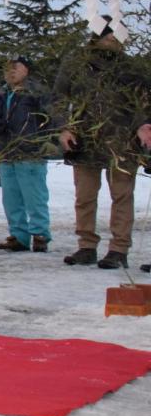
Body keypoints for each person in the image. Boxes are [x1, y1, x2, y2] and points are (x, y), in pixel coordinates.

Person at [53, 17, 150, 270]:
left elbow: (144, 101)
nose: (115, 41)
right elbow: (59, 97)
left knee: (122, 196)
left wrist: (143, 125)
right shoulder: (77, 63)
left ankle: (119, 249)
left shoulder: (131, 67)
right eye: (110, 36)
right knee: (85, 196)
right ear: (98, 37)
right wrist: (64, 127)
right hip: (85, 139)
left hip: (122, 141)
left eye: (119, 37)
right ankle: (86, 246)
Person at [0, 56, 55, 253]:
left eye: (15, 67)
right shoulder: (0, 94)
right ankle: (18, 235)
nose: (10, 71)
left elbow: (53, 116)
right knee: (11, 198)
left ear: (26, 70)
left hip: (31, 152)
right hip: (6, 152)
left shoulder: (37, 92)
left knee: (34, 196)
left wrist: (49, 138)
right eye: (7, 68)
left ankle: (40, 234)